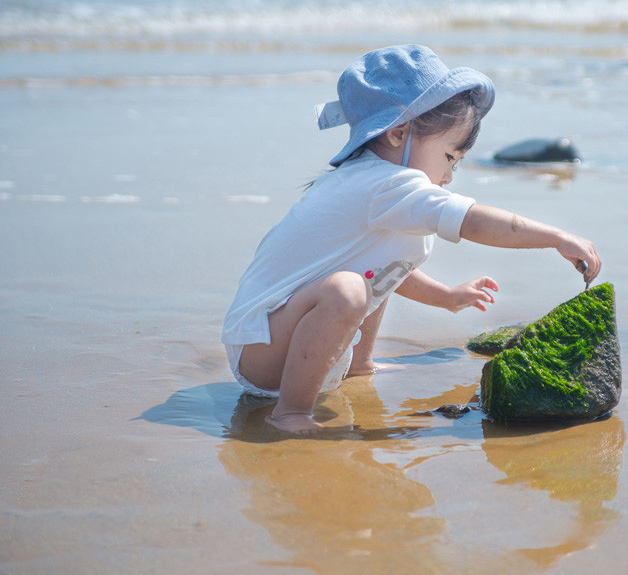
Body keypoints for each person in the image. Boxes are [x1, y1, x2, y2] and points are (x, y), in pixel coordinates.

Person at [222, 45, 600, 434]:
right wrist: (555, 237)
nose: (450, 175)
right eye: (449, 157)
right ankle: (291, 412)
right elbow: (473, 221)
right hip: (262, 348)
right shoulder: (383, 184)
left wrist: (448, 297)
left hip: (278, 339)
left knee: (364, 277)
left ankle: (359, 365)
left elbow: (390, 270)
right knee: (350, 288)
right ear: (398, 133)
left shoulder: (383, 193)